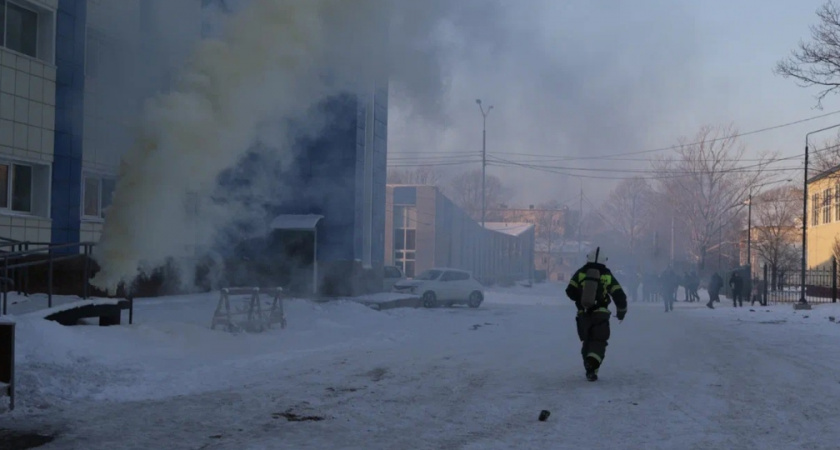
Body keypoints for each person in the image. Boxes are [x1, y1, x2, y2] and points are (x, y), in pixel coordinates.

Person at [565, 247, 627, 382]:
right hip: (601, 314)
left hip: (583, 315)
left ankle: (590, 370)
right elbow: (619, 294)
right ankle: (592, 365)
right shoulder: (607, 274)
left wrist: (582, 300)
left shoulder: (581, 272)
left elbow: (570, 290)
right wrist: (621, 312)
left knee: (587, 342)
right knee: (599, 342)